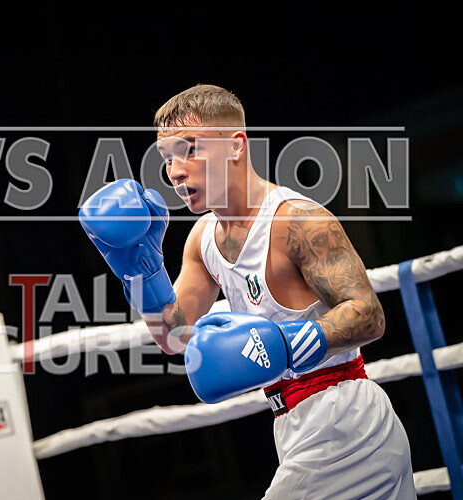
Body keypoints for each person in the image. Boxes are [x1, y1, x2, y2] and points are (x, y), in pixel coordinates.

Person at [80, 84, 415, 498]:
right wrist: (142, 270)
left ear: (235, 145)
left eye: (189, 150)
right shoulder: (202, 241)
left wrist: (285, 345)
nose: (175, 172)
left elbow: (368, 314)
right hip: (295, 427)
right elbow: (173, 336)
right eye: (167, 158)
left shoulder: (298, 220)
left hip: (347, 424)